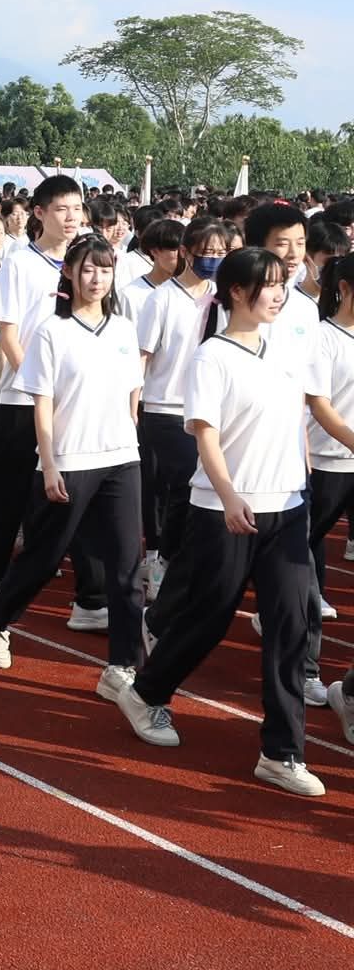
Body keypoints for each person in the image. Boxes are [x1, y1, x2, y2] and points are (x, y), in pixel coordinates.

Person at [116, 248, 330, 798]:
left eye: (284, 284)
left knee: (291, 624)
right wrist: (230, 494)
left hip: (288, 507)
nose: (280, 293)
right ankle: (147, 691)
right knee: (209, 617)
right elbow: (204, 434)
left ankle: (281, 752)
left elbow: (298, 417)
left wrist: (301, 470)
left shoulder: (285, 349)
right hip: (224, 510)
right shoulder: (212, 357)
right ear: (237, 292)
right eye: (269, 285)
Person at [0, 234, 146, 698]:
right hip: (69, 457)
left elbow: (133, 389)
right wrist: (48, 464)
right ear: (69, 273)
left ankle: (123, 667)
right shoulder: (52, 331)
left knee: (127, 570)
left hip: (121, 459)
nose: (96, 279)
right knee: (45, 557)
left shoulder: (125, 329)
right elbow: (41, 404)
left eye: (105, 270)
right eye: (87, 269)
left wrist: (129, 428)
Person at [0, 174, 100, 625]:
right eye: (62, 209)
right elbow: (7, 330)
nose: (72, 218)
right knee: (9, 491)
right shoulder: (19, 263)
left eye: (77, 209)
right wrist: (35, 381)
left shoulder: (85, 263)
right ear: (40, 213)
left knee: (66, 492)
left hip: (72, 398)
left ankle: (86, 591)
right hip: (21, 396)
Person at [136, 216, 235, 601]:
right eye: (206, 252)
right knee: (184, 483)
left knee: (197, 488)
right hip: (165, 408)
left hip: (209, 408)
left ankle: (182, 561)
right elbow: (142, 357)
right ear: (187, 252)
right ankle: (162, 558)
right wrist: (134, 408)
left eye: (221, 253)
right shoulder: (160, 299)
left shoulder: (224, 298)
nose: (213, 259)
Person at [301, 252, 354, 706]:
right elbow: (318, 403)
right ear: (346, 289)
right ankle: (305, 666)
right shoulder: (322, 337)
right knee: (303, 567)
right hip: (325, 462)